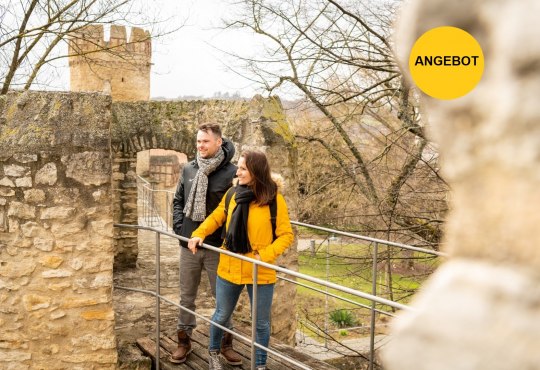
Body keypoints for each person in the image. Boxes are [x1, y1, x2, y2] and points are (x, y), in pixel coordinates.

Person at [188, 150, 294, 370]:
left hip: (260, 269)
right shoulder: (232, 194)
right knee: (222, 314)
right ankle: (214, 353)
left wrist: (262, 256)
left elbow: (286, 235)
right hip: (230, 264)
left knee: (261, 323)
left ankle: (260, 365)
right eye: (239, 167)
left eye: (243, 168)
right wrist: (199, 233)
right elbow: (217, 217)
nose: (238, 172)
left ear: (256, 171)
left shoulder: (275, 200)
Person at [171, 122, 242, 365]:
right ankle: (184, 341)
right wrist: (180, 229)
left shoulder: (232, 173)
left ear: (218, 142)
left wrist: (226, 240)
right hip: (188, 244)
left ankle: (226, 344)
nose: (200, 146)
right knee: (186, 297)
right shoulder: (189, 169)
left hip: (216, 248)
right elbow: (178, 200)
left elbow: (235, 211)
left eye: (205, 141)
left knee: (222, 298)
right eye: (198, 141)